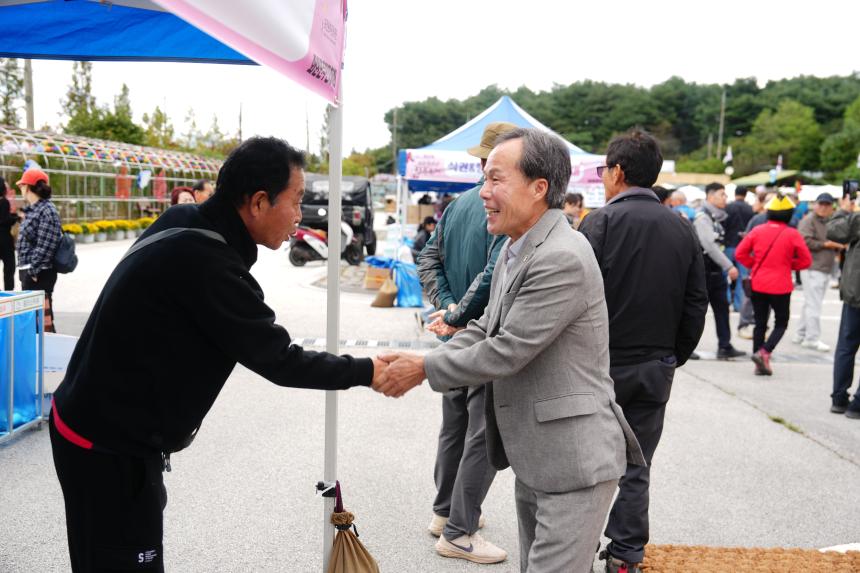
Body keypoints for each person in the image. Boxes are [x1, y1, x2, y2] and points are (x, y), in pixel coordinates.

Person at [49, 137, 389, 573]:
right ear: (259, 202)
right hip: (107, 447)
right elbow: (280, 360)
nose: (300, 216)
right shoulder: (207, 263)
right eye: (297, 200)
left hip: (98, 428)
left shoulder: (188, 222)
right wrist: (369, 371)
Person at [376, 128, 644, 573]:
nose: (483, 192)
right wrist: (429, 357)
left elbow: (507, 349)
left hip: (573, 461)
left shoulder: (561, 255)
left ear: (539, 188)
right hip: (537, 457)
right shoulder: (516, 247)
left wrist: (424, 367)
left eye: (496, 179)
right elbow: (484, 327)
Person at [579, 130, 707, 573]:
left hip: (599, 365)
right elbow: (696, 300)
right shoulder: (681, 227)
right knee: (637, 462)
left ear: (617, 172)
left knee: (587, 463)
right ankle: (626, 554)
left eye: (603, 171)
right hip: (656, 364)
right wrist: (675, 355)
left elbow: (573, 298)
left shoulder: (599, 223)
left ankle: (574, 549)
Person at [416, 121, 515, 565]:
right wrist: (457, 313)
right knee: (481, 431)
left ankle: (445, 512)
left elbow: (428, 259)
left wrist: (447, 308)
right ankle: (459, 528)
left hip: (453, 334)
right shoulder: (503, 208)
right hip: (480, 336)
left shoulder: (456, 205)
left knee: (455, 425)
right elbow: (492, 273)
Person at [735, 195, 811, 375]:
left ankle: (758, 362)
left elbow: (740, 253)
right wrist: (789, 265)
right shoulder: (792, 234)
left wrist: (753, 263)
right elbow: (806, 260)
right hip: (781, 285)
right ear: (789, 214)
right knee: (781, 322)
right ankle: (765, 352)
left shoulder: (757, 231)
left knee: (760, 323)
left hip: (759, 282)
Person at [694, 183, 745, 360]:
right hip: (705, 272)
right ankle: (684, 347)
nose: (726, 198)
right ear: (710, 196)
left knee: (722, 309)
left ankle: (725, 346)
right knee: (696, 312)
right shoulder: (703, 217)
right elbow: (709, 245)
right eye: (722, 195)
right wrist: (729, 266)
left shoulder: (715, 217)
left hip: (715, 272)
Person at [794, 193, 844, 351]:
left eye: (827, 205)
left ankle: (801, 333)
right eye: (821, 204)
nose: (823, 207)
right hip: (812, 267)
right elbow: (803, 240)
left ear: (831, 207)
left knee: (810, 303)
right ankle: (812, 338)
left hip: (823, 267)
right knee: (813, 304)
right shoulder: (808, 220)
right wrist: (826, 244)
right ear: (815, 204)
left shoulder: (829, 220)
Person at [826, 193, 860, 418]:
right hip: (855, 293)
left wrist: (845, 209)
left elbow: (834, 230)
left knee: (846, 346)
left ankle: (839, 398)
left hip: (855, 294)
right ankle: (857, 404)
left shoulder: (857, 219)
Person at [16, 168, 62, 332]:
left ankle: (49, 355)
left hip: (39, 273)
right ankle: (39, 354)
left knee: (42, 324)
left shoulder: (47, 210)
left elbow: (46, 244)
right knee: (34, 322)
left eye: (21, 185)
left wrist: (34, 271)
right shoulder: (36, 208)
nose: (20, 188)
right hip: (31, 271)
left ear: (28, 187)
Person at [724, 186, 754, 312]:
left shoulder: (728, 207)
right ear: (745, 194)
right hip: (744, 247)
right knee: (743, 277)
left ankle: (725, 301)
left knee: (725, 276)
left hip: (728, 244)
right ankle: (739, 304)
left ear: (735, 193)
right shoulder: (750, 209)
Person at [0, 176, 17, 290]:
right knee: (9, 268)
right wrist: (15, 217)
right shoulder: (4, 202)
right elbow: (4, 220)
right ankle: (8, 293)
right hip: (4, 239)